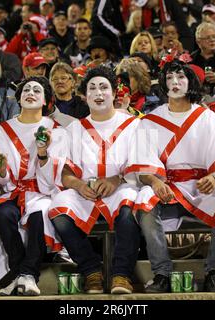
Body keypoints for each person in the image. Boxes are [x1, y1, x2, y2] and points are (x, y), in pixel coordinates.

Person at [125, 56, 215, 293]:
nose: (175, 82)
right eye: (169, 77)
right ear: (163, 83)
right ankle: (161, 273)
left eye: (180, 77)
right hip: (166, 186)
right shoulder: (149, 120)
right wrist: (155, 181)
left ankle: (214, 272)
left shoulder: (207, 117)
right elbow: (141, 167)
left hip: (200, 186)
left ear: (191, 82)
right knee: (144, 200)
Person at [48, 65, 141, 294]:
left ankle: (121, 275)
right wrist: (79, 185)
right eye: (92, 88)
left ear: (114, 93)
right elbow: (65, 173)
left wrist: (117, 179)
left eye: (104, 87)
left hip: (122, 187)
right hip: (86, 191)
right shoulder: (73, 128)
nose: (98, 93)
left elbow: (143, 167)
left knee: (129, 208)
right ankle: (91, 271)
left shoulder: (134, 124)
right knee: (58, 210)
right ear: (84, 95)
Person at [0, 76, 70, 296]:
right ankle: (19, 272)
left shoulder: (57, 130)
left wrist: (43, 155)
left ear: (45, 101)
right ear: (19, 99)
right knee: (2, 214)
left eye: (37, 90)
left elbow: (55, 178)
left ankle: (28, 274)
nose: (31, 92)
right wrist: (2, 169)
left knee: (39, 214)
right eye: (26, 90)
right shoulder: (0, 131)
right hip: (13, 191)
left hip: (44, 192)